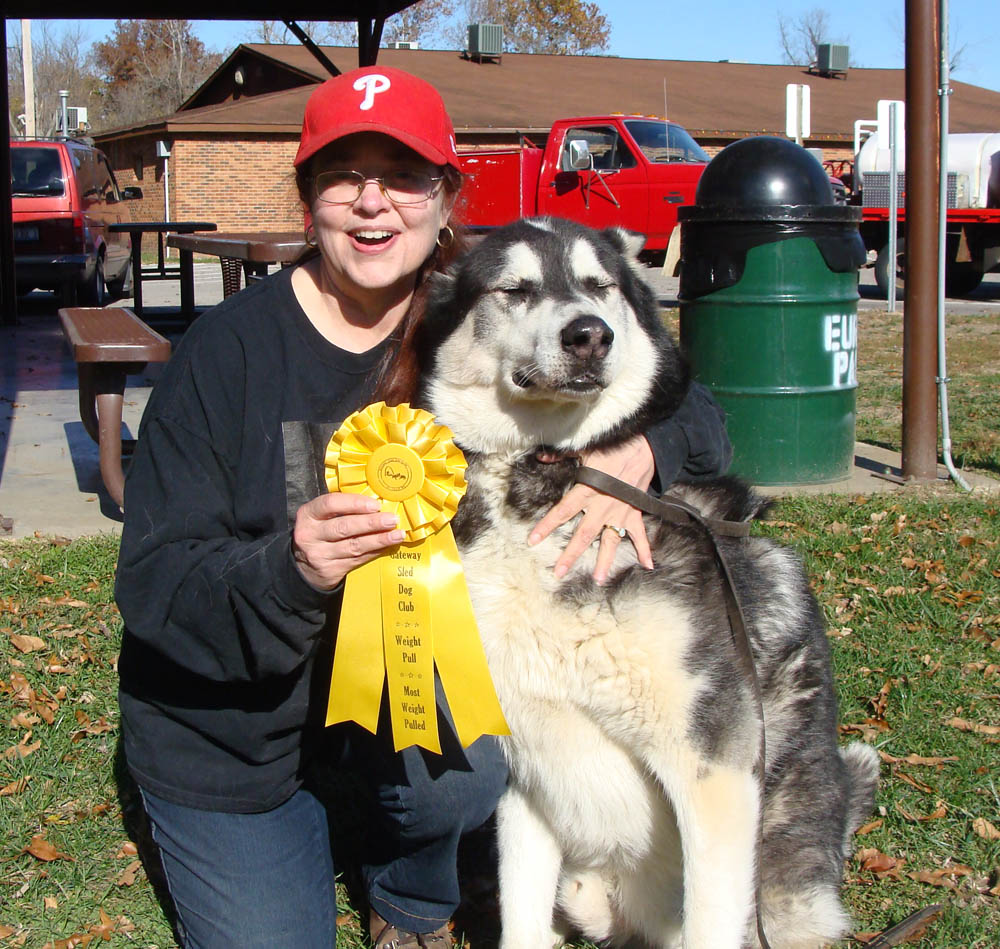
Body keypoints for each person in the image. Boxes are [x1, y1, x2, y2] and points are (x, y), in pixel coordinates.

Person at [113, 66, 732, 949]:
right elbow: (153, 587)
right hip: (237, 745)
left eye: (403, 176)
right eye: (344, 175)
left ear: (445, 198)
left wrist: (640, 447)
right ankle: (323, 834)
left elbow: (693, 407)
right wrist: (287, 570)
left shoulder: (487, 302)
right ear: (308, 198)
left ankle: (408, 892)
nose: (374, 204)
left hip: (404, 706)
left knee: (471, 764)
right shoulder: (223, 355)